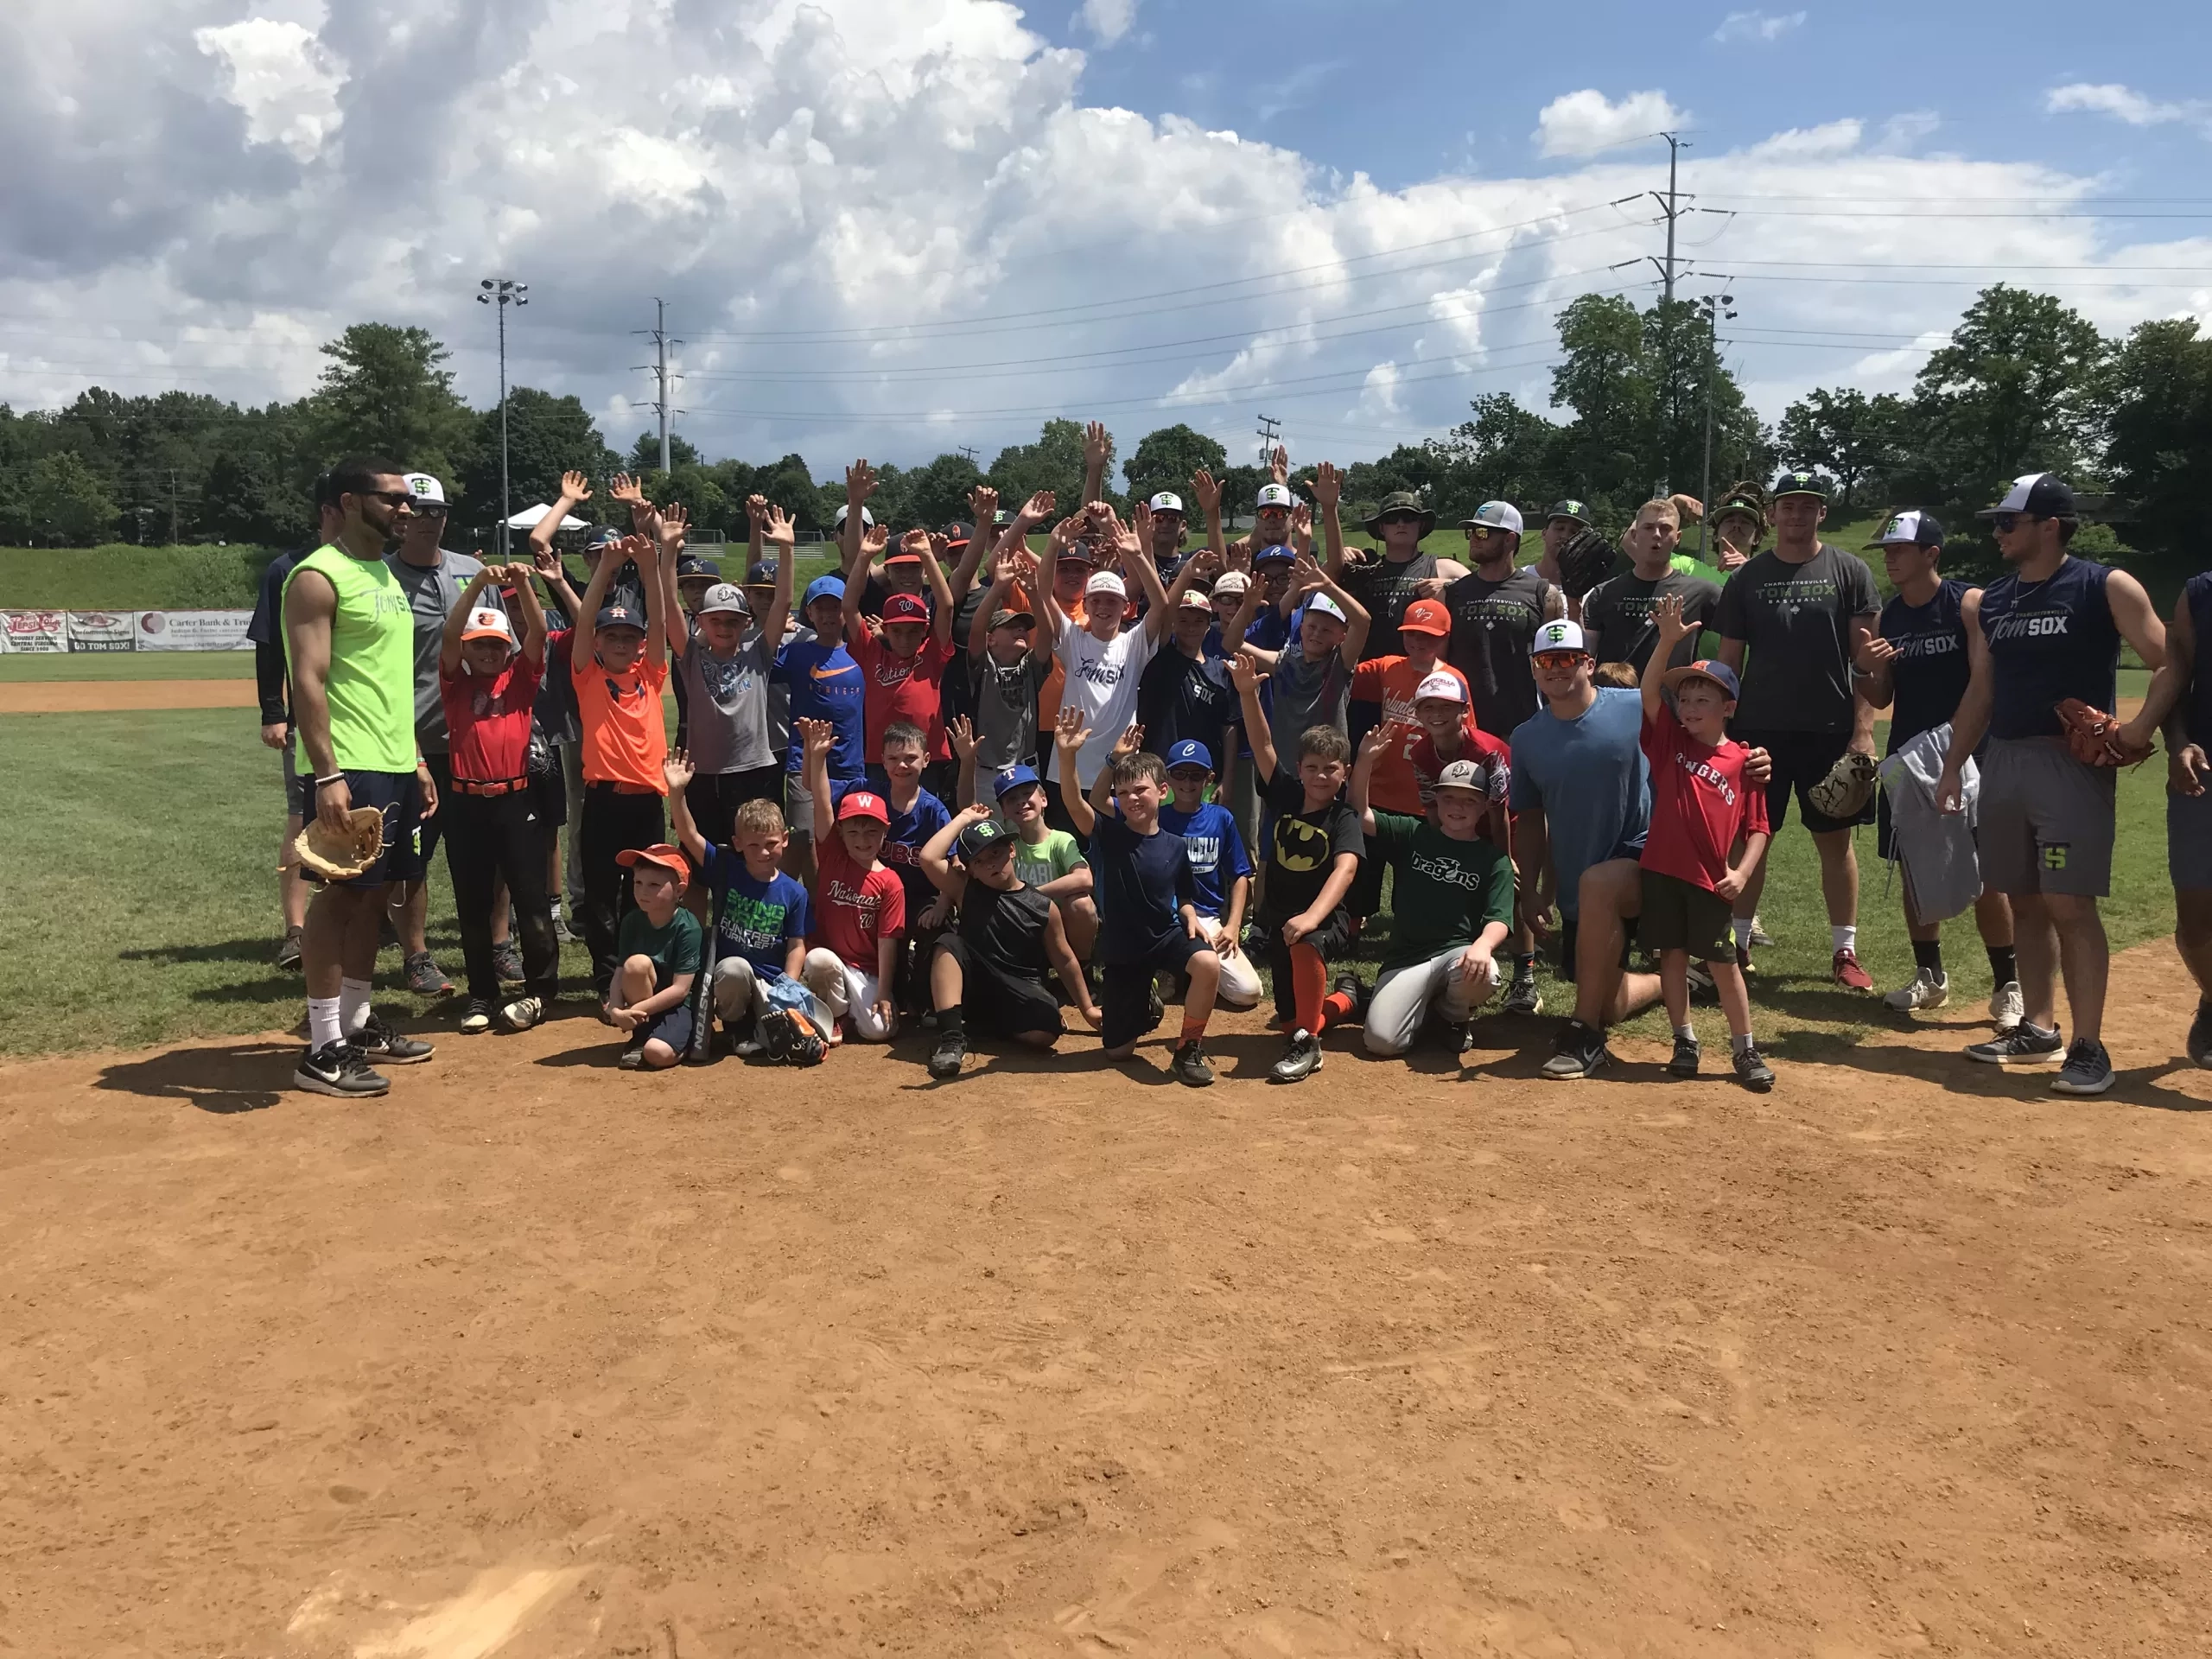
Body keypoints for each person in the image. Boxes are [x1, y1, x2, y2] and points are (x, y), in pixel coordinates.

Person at [1936, 474, 2166, 1095]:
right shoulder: (1997, 600)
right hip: (2004, 760)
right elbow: (1981, 689)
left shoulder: (2103, 585)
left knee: (2070, 902)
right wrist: (1955, 764)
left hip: (2069, 768)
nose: (1997, 533)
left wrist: (2146, 729)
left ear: (2050, 526)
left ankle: (2090, 1048)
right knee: (2023, 900)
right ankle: (2038, 1027)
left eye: (2007, 523)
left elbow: (2169, 660)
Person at [282, 457, 439, 1096]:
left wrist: (418, 759)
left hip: (394, 759)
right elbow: (309, 680)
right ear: (350, 501)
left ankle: (356, 1021)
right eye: (394, 500)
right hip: (348, 764)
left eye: (410, 502)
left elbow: (386, 681)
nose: (408, 510)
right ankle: (321, 1050)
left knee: (376, 897)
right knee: (340, 897)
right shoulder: (318, 576)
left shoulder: (381, 572)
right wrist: (326, 774)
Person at [1713, 470, 1882, 989]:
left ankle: (1844, 951)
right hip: (1758, 733)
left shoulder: (1850, 570)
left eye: (1807, 506)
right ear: (1774, 515)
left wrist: (1863, 732)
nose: (1796, 515)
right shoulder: (1747, 578)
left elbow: (1865, 664)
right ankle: (1737, 944)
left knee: (1835, 842)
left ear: (1821, 514)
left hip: (1828, 730)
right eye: (1788, 506)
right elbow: (1728, 662)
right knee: (1751, 840)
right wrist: (1721, 736)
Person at [1853, 511, 2020, 1024]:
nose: (1891, 557)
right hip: (1909, 755)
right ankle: (1931, 977)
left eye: (1900, 549)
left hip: (1969, 753)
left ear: (1932, 554)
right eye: (1887, 550)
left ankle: (2008, 984)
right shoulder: (1892, 617)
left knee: (1987, 873)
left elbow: (1983, 681)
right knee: (1914, 868)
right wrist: (1869, 665)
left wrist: (1957, 748)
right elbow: (1880, 696)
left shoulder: (1967, 603)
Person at [1637, 596, 1775, 1089]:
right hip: (1661, 870)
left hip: (1711, 881)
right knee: (1671, 957)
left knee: (1723, 963)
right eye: (1686, 700)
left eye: (1703, 701)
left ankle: (1745, 1048)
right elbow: (1650, 689)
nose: (1690, 708)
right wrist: (1668, 641)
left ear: (1728, 708)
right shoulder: (1669, 741)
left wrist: (1740, 873)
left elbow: (1759, 828)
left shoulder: (1744, 762)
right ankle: (1685, 1039)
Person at [1230, 650, 1365, 1083]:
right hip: (1282, 921)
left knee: (1305, 967)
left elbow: (1345, 869)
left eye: (1330, 770)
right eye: (1312, 768)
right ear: (1300, 770)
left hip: (1324, 922)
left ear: (1344, 773)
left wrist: (1311, 917)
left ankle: (1310, 1048)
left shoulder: (1343, 818)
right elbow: (1263, 745)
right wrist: (1249, 695)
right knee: (1290, 1021)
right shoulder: (1287, 795)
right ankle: (1347, 999)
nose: (1321, 777)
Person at [435, 564, 558, 1034]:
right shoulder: (456, 683)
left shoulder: (520, 682)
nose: (488, 652)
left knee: (530, 902)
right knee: (472, 906)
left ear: (508, 650)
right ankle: (482, 994)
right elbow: (448, 634)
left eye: (496, 645)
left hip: (515, 801)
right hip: (466, 804)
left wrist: (524, 584)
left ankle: (539, 992)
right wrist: (475, 585)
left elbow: (540, 633)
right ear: (467, 650)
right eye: (479, 645)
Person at [1058, 733, 1222, 1086]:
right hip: (1123, 950)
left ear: (1163, 791)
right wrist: (1069, 755)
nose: (1132, 798)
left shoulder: (1176, 846)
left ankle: (1188, 1048)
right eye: (1124, 792)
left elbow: (1185, 894)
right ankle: (1145, 1003)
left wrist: (1191, 916)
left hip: (1164, 936)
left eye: (1141, 790)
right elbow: (1075, 802)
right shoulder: (1109, 835)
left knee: (1208, 963)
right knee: (1118, 1052)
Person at [1348, 736, 1513, 1058]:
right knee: (1382, 1043)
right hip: (1407, 957)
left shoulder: (1494, 860)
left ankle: (1452, 1015)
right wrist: (1365, 760)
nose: (1458, 808)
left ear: (1483, 807)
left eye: (1469, 801)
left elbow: (1499, 919)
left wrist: (1482, 945)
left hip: (1456, 952)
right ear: (1436, 802)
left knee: (1485, 971)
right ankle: (1427, 1011)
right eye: (1449, 798)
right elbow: (1360, 814)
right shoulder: (1414, 833)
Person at [383, 471, 483, 996]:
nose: (428, 521)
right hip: (416, 741)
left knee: (491, 852)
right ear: (400, 518)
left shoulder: (472, 571)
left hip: (479, 741)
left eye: (436, 511)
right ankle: (416, 954)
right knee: (412, 857)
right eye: (417, 511)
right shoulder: (381, 578)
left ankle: (498, 944)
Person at [918, 809, 1101, 1079]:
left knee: (1046, 1032)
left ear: (1012, 851)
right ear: (971, 870)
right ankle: (952, 1040)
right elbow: (928, 857)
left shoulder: (1043, 907)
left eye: (997, 853)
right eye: (980, 861)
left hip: (1017, 985)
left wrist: (1087, 1009)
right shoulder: (966, 890)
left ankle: (980, 1026)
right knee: (948, 943)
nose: (992, 864)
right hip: (973, 981)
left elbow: (1064, 960)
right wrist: (964, 819)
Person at [667, 504, 796, 878]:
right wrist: (669, 551)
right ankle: (700, 936)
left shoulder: (758, 652)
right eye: (715, 620)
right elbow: (668, 606)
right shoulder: (689, 655)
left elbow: (784, 600)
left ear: (745, 623)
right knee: (696, 865)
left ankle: (751, 932)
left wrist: (785, 548)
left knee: (755, 862)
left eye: (733, 621)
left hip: (753, 771)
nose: (724, 626)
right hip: (702, 773)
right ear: (701, 621)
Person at [570, 526, 671, 1000]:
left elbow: (660, 620)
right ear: (598, 640)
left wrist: (650, 567)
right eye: (613, 636)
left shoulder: (649, 674)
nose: (622, 643)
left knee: (647, 890)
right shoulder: (587, 676)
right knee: (600, 893)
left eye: (630, 636)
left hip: (647, 801)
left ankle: (642, 966)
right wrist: (607, 569)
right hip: (603, 800)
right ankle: (605, 971)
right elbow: (586, 617)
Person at [1037, 502, 1190, 810]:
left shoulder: (1133, 644)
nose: (1104, 608)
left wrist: (1135, 553)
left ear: (1125, 607)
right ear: (1088, 605)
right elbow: (1042, 593)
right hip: (1069, 767)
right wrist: (1053, 542)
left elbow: (1161, 606)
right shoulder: (1072, 638)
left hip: (1119, 768)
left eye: (1112, 601)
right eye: (1096, 601)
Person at [2118, 566, 2212, 1066]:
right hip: (2204, 771)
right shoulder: (2198, 594)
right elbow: (2176, 676)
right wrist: (2176, 745)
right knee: (2195, 924)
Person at [248, 491, 342, 970]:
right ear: (330, 509)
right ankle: (297, 929)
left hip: (369, 722)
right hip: (309, 718)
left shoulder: (377, 566)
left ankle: (365, 915)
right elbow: (269, 646)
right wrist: (272, 711)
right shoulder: (290, 568)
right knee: (301, 815)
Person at [669, 786, 812, 1053]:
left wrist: (789, 984)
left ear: (784, 839)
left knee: (780, 1043)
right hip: (731, 977)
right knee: (734, 968)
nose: (763, 852)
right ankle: (737, 1028)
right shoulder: (726, 870)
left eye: (771, 843)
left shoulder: (795, 892)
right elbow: (689, 835)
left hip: (771, 984)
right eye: (753, 845)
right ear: (738, 843)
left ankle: (761, 1027)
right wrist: (677, 793)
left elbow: (796, 944)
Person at [794, 720, 906, 1042]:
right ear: (841, 833)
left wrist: (884, 991)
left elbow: (888, 943)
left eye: (871, 831)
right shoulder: (833, 855)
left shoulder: (890, 882)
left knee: (880, 1031)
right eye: (854, 831)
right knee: (818, 961)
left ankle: (847, 1012)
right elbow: (822, 801)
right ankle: (838, 1015)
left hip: (866, 970)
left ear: (884, 833)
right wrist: (817, 757)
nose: (862, 839)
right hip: (831, 959)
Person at [1154, 739, 1263, 1011]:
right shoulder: (1156, 817)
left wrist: (1233, 926)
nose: (1187, 782)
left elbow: (1239, 875)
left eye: (1197, 774)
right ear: (1167, 777)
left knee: (1248, 992)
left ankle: (1187, 971)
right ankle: (1177, 967)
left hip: (1208, 918)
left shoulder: (1221, 818)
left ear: (1210, 778)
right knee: (1156, 989)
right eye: (1179, 773)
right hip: (1165, 918)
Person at [846, 524, 957, 791]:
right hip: (881, 759)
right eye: (897, 631)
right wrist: (863, 557)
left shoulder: (931, 654)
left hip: (924, 759)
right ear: (885, 629)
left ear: (923, 630)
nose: (905, 638)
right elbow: (848, 606)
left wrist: (928, 556)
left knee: (923, 819)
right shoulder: (872, 653)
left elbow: (948, 606)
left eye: (912, 631)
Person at [773, 573, 867, 885]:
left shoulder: (863, 652)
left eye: (835, 607)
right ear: (809, 614)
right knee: (804, 840)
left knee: (849, 843)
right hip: (805, 766)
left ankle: (838, 912)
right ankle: (807, 911)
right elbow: (757, 663)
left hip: (850, 767)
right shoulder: (798, 653)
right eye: (820, 608)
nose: (828, 615)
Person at [1326, 474, 1467, 662]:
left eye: (1408, 518)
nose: (1401, 524)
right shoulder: (1364, 566)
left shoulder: (1442, 567)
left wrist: (1451, 587)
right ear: (1382, 528)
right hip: (1367, 673)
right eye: (1392, 518)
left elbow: (1484, 592)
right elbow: (1322, 581)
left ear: (1421, 524)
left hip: (1420, 675)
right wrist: (1338, 556)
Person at [1580, 499, 1724, 676]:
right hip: (1613, 700)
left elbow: (1736, 638)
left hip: (1673, 701)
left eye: (1665, 529)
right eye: (1648, 528)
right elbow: (1585, 660)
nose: (1656, 535)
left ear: (1677, 538)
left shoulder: (1701, 593)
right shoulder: (1604, 592)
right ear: (1634, 535)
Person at [991, 741, 1098, 963]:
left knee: (1082, 904)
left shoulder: (1060, 839)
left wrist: (1032, 894)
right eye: (1011, 799)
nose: (1021, 801)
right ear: (1004, 811)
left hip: (1062, 926)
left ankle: (1082, 966)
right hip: (1025, 925)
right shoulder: (1007, 845)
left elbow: (1084, 878)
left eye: (1027, 793)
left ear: (1044, 799)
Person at [602, 845, 702, 1071]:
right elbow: (620, 972)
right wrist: (617, 1009)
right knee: (635, 964)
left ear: (679, 890)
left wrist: (633, 1011)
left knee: (657, 1053)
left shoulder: (689, 928)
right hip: (644, 1006)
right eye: (638, 882)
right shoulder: (632, 922)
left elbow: (680, 991)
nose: (642, 891)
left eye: (654, 885)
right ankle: (642, 1036)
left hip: (677, 1006)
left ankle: (685, 1039)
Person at [1135, 554, 1239, 766]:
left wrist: (1226, 781)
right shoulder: (1161, 656)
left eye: (1198, 621)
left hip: (1205, 773)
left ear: (1209, 626)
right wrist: (1187, 573)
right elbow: (1165, 612)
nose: (1191, 627)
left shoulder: (1221, 670)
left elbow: (1228, 727)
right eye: (1183, 620)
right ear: (1174, 624)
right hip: (1160, 770)